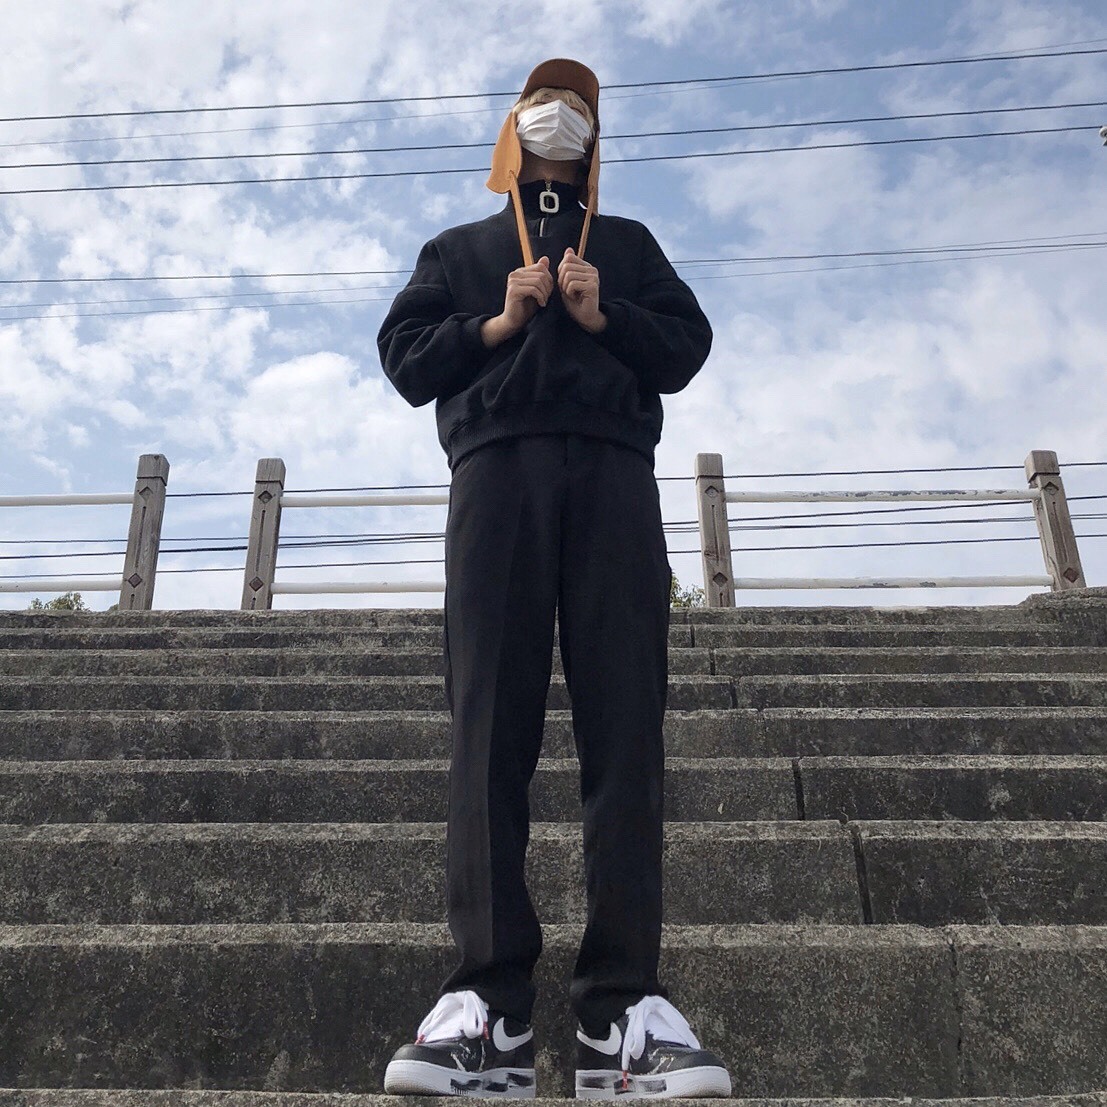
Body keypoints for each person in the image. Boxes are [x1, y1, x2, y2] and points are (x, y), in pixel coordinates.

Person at [377, 58, 729, 1100]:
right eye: (544, 103)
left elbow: (686, 346)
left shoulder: (629, 245)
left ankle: (623, 1010)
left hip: (615, 473)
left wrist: (601, 313)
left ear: (596, 138)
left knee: (626, 728)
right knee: (488, 728)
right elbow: (404, 357)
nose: (560, 117)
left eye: (579, 106)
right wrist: (497, 320)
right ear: (512, 130)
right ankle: (486, 1005)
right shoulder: (460, 248)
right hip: (496, 474)